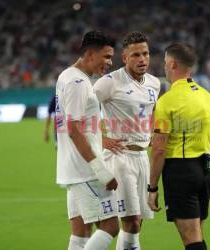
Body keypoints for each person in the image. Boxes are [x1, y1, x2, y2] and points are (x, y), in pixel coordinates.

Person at [93, 31, 161, 250]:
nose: (142, 59)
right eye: (135, 55)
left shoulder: (154, 83)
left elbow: (151, 111)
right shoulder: (109, 83)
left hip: (142, 157)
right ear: (125, 58)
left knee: (137, 223)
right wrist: (102, 139)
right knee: (130, 221)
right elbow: (81, 112)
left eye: (145, 54)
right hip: (119, 158)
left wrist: (148, 133)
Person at [148, 43, 210, 250]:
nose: (164, 68)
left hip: (180, 171)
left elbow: (159, 149)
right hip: (205, 169)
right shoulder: (207, 97)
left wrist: (152, 187)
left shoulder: (166, 101)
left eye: (165, 63)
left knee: (192, 239)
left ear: (172, 63)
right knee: (197, 233)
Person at [55, 30, 119, 250]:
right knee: (110, 225)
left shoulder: (66, 75)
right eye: (107, 56)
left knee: (81, 231)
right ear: (90, 54)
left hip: (72, 167)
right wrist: (100, 169)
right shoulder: (78, 83)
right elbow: (73, 129)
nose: (110, 62)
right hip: (86, 170)